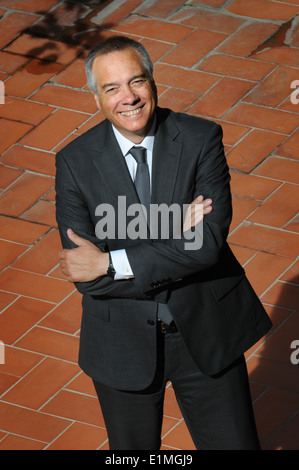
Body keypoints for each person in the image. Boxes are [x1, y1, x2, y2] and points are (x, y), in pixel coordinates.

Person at [56, 35, 272, 450]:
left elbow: (207, 245)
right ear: (96, 96)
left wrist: (111, 262)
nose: (129, 98)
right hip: (121, 340)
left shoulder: (200, 138)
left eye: (137, 82)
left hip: (206, 331)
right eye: (112, 87)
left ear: (152, 82)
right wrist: (175, 230)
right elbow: (85, 273)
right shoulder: (74, 161)